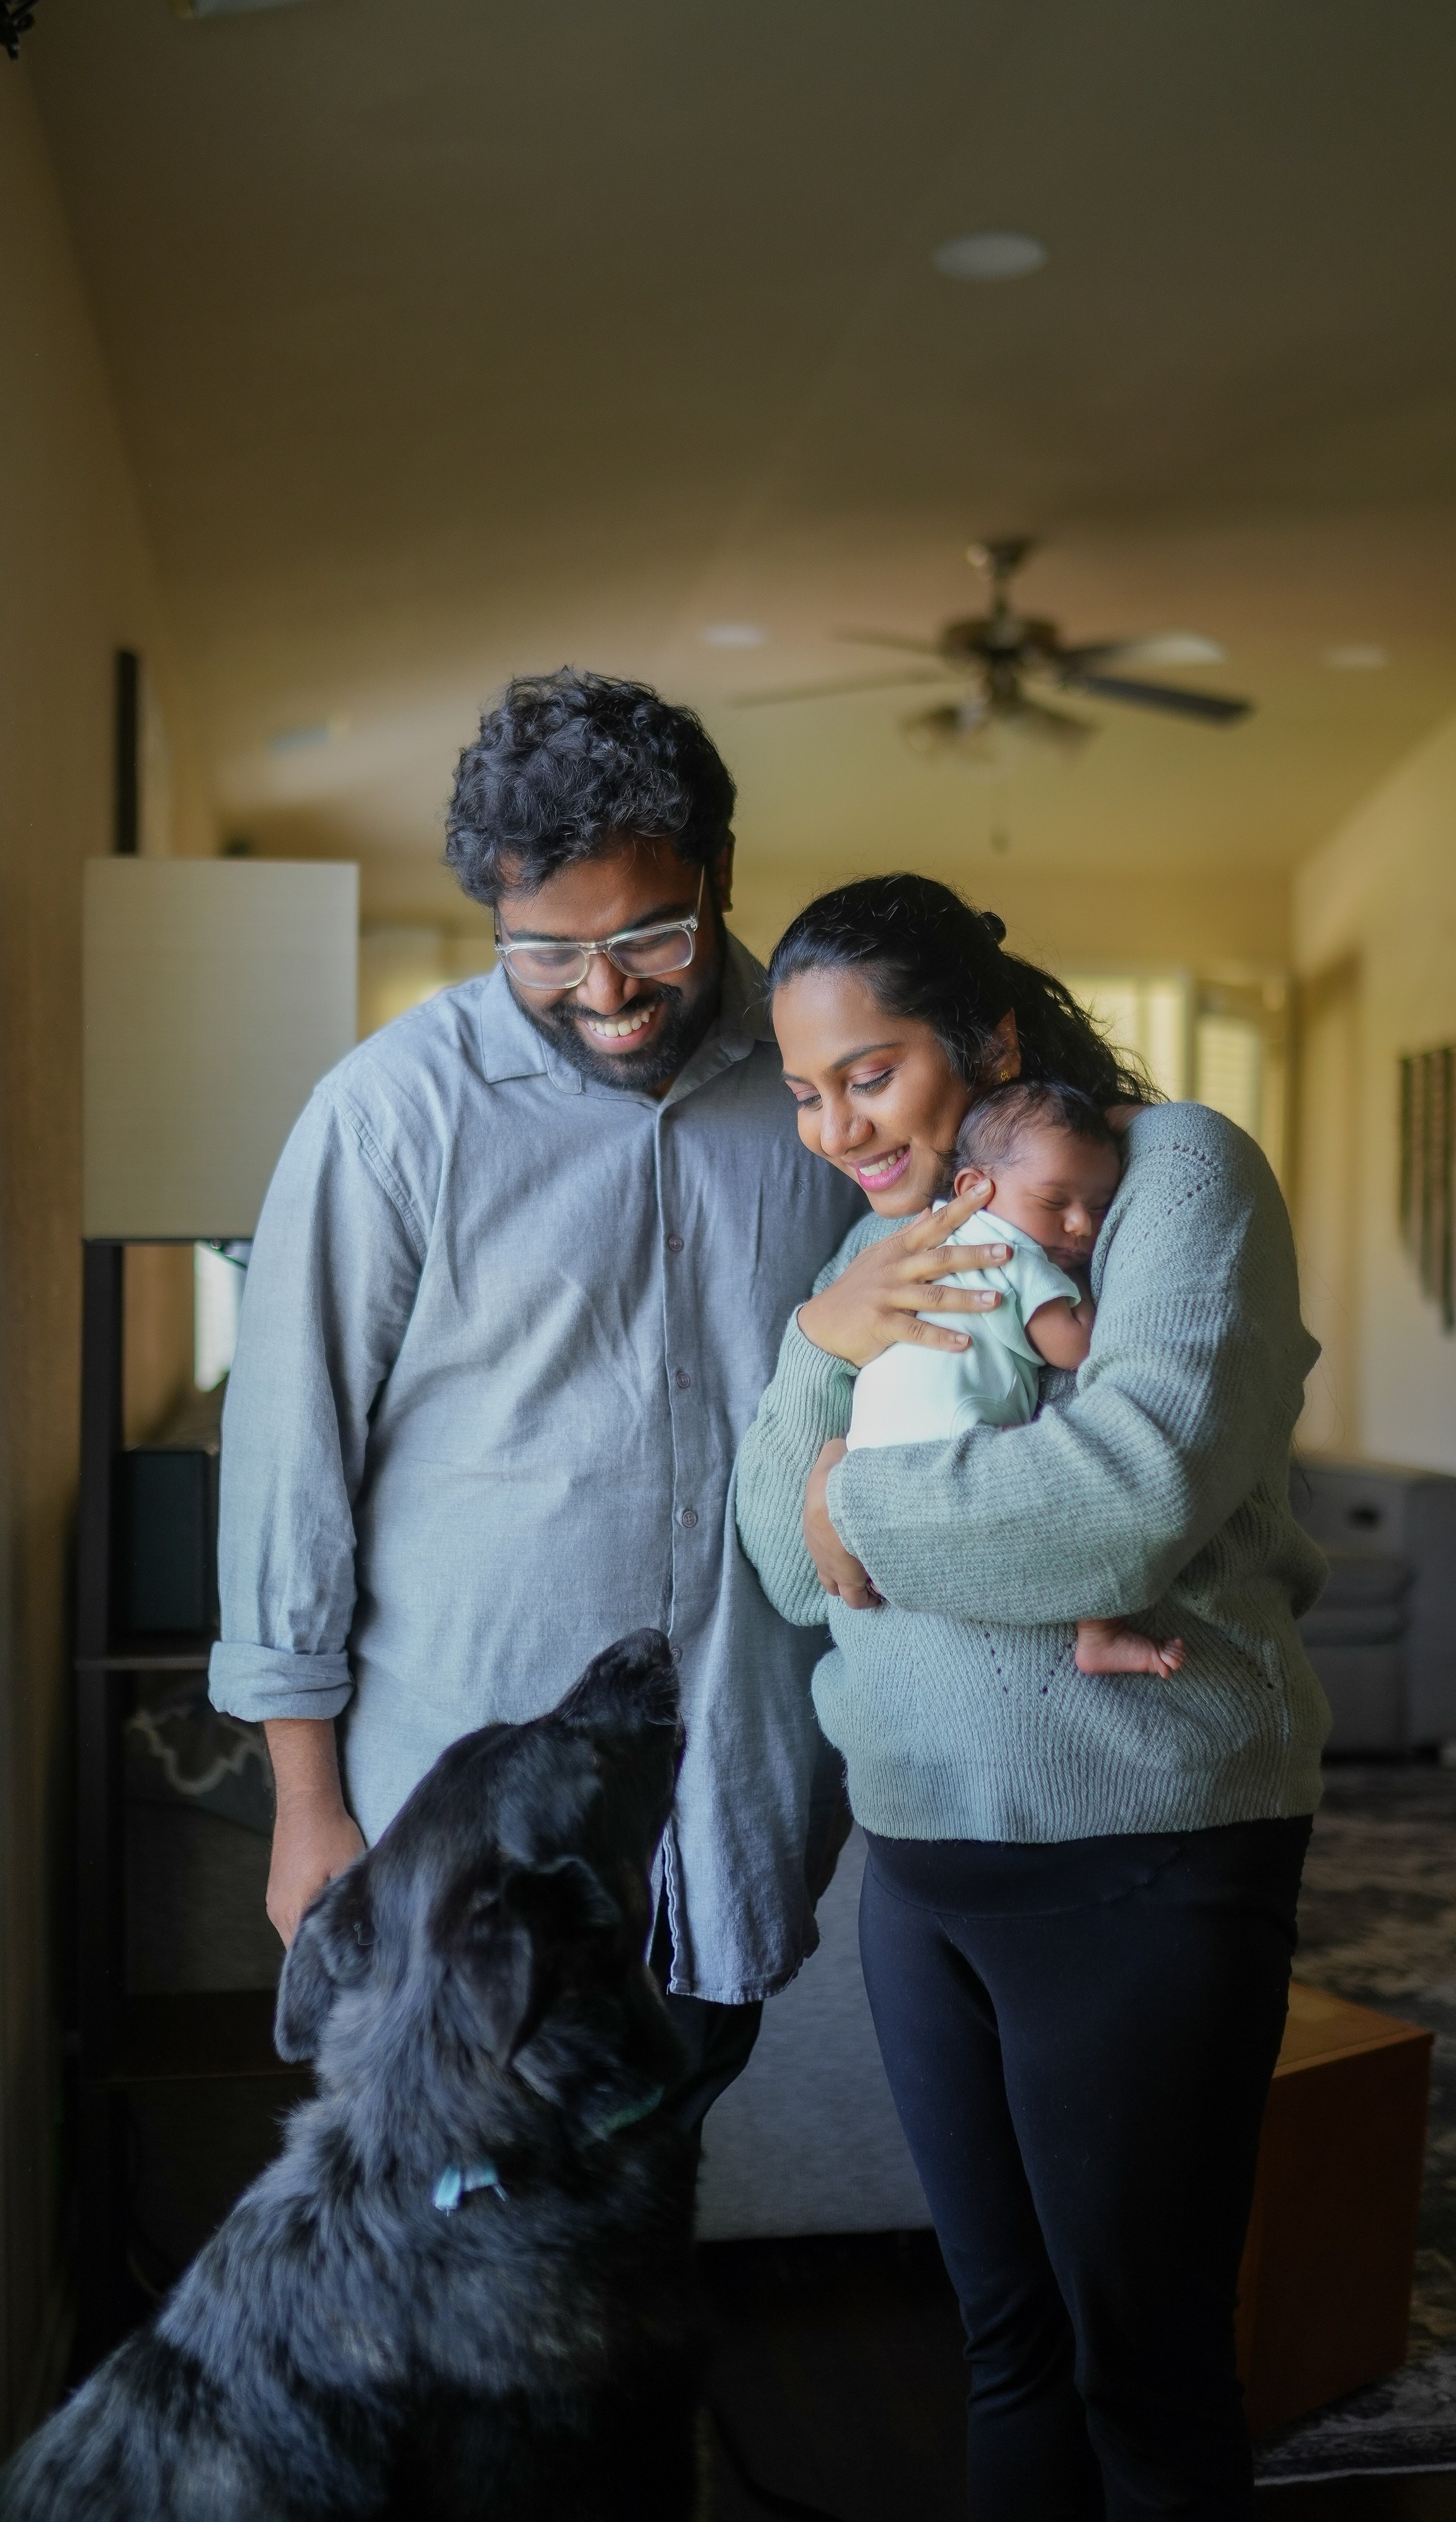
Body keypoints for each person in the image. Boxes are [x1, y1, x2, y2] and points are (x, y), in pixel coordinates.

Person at [735, 873, 1331, 2518]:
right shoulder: (875, 1249)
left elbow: (1124, 1490)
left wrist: (847, 1504)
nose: (832, 1124)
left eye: (868, 1072)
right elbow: (783, 1579)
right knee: (1002, 2343)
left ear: (986, 1036)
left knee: (1141, 2362)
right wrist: (815, 1337)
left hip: (1137, 1850)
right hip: (922, 1859)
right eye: (802, 1090)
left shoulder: (1169, 1173)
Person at [208, 669, 865, 2130]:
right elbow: (288, 1463)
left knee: (649, 2205)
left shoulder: (830, 1089)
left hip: (734, 1800)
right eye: (547, 952)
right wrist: (306, 1802)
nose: (609, 989)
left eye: (651, 933)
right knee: (453, 2254)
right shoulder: (392, 1114)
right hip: (465, 1851)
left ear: (721, 876)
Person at [846, 1080, 1185, 1679]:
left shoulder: (921, 1240)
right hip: (954, 1448)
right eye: (1055, 1203)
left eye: (1100, 1206)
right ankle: (1099, 1631)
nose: (1081, 1225)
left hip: (874, 1456)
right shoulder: (1011, 1253)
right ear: (974, 1188)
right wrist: (1086, 1289)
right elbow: (1074, 1347)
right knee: (1081, 1512)